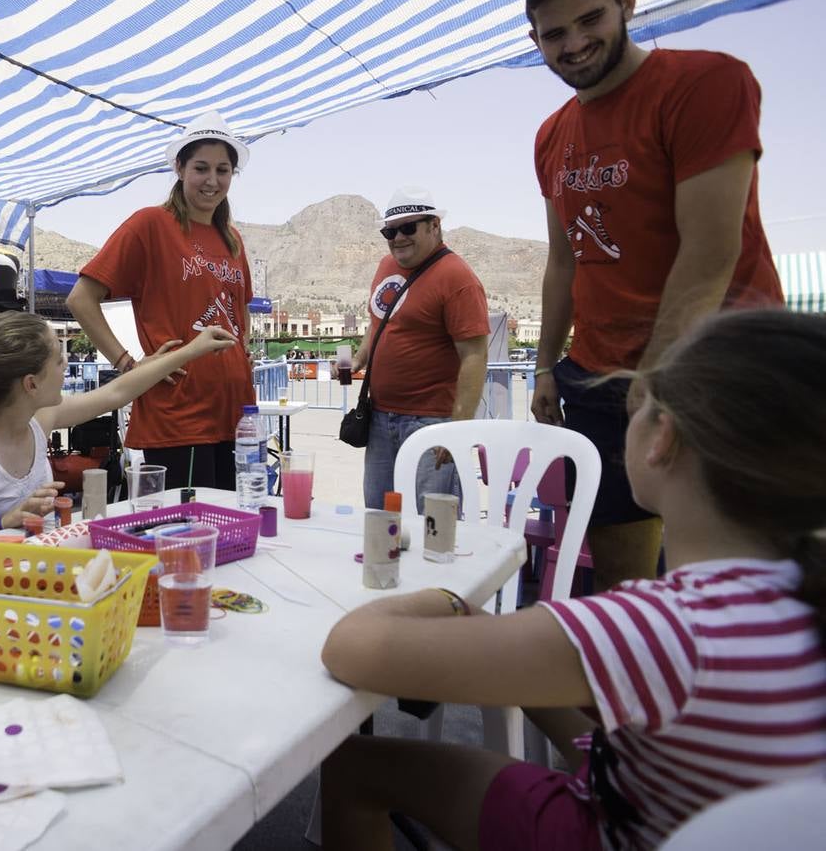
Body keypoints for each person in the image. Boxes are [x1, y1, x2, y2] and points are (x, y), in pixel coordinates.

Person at [320, 308, 826, 851]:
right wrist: (492, 633)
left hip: (612, 830)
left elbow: (353, 648)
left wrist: (449, 599)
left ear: (662, 438)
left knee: (354, 767)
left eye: (637, 405)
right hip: (673, 807)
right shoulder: (787, 602)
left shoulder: (665, 626)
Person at [526, 0, 783, 589]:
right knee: (620, 565)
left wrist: (660, 374)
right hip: (596, 374)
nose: (575, 44)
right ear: (535, 39)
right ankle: (636, 681)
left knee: (715, 564)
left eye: (591, 19)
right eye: (555, 33)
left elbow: (709, 251)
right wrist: (545, 367)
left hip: (711, 366)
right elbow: (564, 262)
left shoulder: (706, 83)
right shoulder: (551, 135)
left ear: (629, 4)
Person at [0, 312, 234, 545]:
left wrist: (190, 351)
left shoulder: (38, 422)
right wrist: (2, 524)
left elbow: (115, 393)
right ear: (31, 384)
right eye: (59, 360)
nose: (67, 368)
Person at [67, 111, 256, 491]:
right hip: (180, 415)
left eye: (223, 170)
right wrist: (127, 364)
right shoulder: (150, 225)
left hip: (236, 412)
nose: (212, 181)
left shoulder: (232, 239)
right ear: (180, 168)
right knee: (187, 538)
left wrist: (242, 349)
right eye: (201, 168)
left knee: (233, 533)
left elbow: (241, 307)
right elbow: (81, 299)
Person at [353, 187, 488, 512]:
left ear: (434, 227)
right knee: (380, 517)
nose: (398, 237)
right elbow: (378, 320)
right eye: (390, 230)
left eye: (408, 228)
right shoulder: (386, 266)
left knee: (433, 525)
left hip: (431, 422)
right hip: (381, 418)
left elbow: (474, 355)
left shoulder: (457, 278)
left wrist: (458, 426)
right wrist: (359, 356)